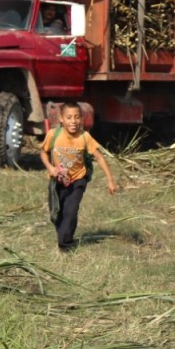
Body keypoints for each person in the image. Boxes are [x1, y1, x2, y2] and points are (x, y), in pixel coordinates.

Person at [40, 102, 117, 251]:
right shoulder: (53, 135)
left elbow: (100, 158)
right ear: (61, 118)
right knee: (56, 214)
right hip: (57, 181)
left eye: (76, 117)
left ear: (81, 118)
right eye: (69, 117)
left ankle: (65, 244)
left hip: (77, 180)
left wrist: (110, 181)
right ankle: (65, 233)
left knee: (71, 209)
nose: (73, 121)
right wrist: (50, 167)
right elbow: (43, 152)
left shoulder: (85, 137)